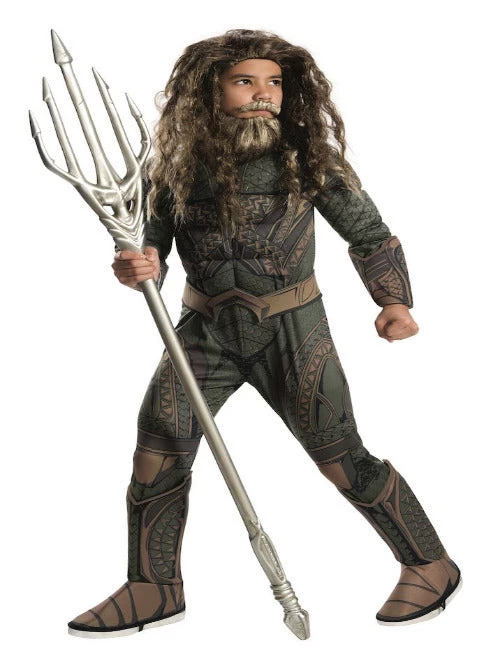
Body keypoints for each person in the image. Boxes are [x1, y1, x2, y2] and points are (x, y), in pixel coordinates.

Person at [68, 29, 461, 637]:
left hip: (293, 329)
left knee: (340, 456)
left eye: (274, 82)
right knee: (159, 443)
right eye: (245, 81)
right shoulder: (174, 169)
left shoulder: (309, 161)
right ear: (211, 91)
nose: (263, 94)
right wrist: (138, 266)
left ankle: (429, 564)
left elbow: (369, 234)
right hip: (205, 332)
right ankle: (153, 587)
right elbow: (151, 251)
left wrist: (394, 302)